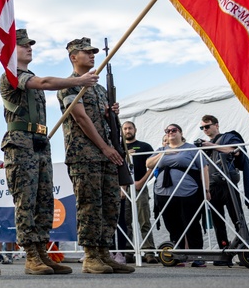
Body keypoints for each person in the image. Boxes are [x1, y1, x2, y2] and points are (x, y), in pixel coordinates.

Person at [2, 28, 98, 275]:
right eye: (23, 45)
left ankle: (42, 251)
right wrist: (78, 81)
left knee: (44, 200)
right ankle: (31, 255)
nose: (29, 47)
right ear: (12, 50)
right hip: (20, 141)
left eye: (30, 44)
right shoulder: (11, 74)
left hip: (39, 141)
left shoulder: (30, 74)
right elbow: (44, 83)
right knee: (26, 200)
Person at [57, 38, 133, 274]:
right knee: (90, 205)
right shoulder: (69, 85)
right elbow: (80, 118)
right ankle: (90, 256)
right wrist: (103, 147)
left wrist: (111, 113)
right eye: (86, 53)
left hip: (106, 154)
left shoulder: (99, 89)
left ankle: (103, 252)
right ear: (73, 57)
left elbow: (105, 121)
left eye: (93, 53)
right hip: (85, 155)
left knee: (110, 205)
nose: (92, 56)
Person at [147, 124, 209, 266]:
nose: (170, 133)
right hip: (164, 193)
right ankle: (178, 255)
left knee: (191, 223)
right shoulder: (161, 150)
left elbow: (204, 168)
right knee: (172, 225)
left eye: (173, 130)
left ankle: (197, 256)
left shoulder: (191, 149)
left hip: (188, 193)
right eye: (167, 131)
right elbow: (149, 163)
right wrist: (163, 154)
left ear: (181, 133)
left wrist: (206, 190)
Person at [198, 115, 249, 263]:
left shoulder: (228, 137)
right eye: (202, 128)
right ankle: (224, 253)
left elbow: (236, 151)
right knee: (218, 222)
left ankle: (246, 251)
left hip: (228, 183)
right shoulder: (205, 144)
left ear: (216, 125)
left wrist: (210, 146)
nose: (205, 130)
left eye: (207, 126)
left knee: (237, 218)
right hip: (212, 186)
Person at [122, 121, 156, 263]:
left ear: (135, 129)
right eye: (125, 128)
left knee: (144, 220)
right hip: (124, 189)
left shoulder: (145, 146)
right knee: (126, 221)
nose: (128, 131)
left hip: (140, 188)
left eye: (130, 128)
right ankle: (129, 252)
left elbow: (154, 167)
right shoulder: (119, 148)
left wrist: (141, 182)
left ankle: (149, 252)